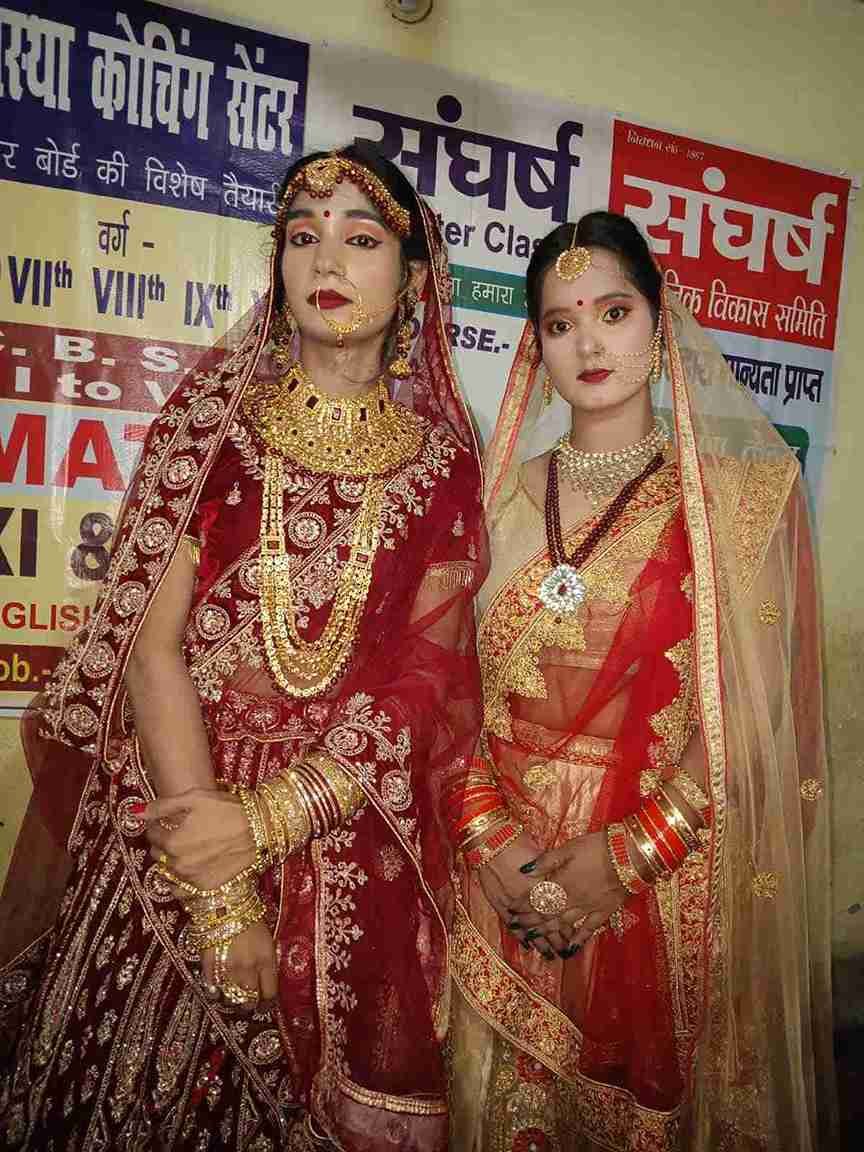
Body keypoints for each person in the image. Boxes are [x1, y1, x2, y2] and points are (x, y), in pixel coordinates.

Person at [0, 142, 486, 1151]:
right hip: (181, 808)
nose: (326, 261)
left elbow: (427, 678)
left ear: (413, 279)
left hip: (342, 824)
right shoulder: (208, 424)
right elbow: (150, 652)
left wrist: (278, 814)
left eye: (361, 239)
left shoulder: (443, 463)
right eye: (302, 237)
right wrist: (222, 896)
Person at [444, 213, 835, 1151]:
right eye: (561, 322)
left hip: (663, 879)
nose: (589, 343)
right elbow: (441, 695)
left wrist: (628, 858)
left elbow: (752, 715)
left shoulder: (745, 501)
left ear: (661, 324)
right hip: (495, 876)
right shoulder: (491, 498)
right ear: (536, 347)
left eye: (613, 312)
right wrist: (489, 840)